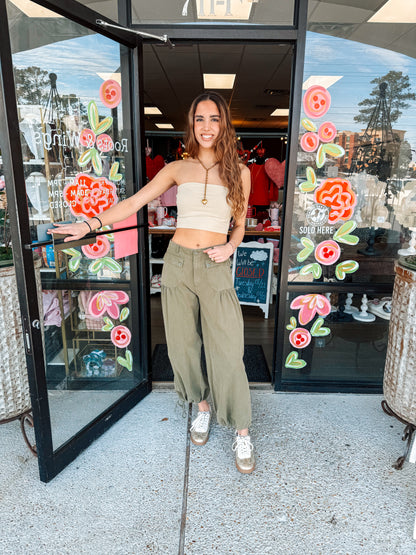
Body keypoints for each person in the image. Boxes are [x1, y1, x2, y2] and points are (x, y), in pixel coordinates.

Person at [49, 91, 255, 474]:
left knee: (227, 348)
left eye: (214, 119)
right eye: (199, 119)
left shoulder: (240, 172)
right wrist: (90, 224)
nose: (207, 127)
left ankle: (241, 429)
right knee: (182, 345)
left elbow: (240, 225)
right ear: (191, 125)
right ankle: (203, 408)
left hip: (214, 265)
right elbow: (133, 202)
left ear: (224, 124)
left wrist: (231, 246)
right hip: (178, 262)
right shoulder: (178, 168)